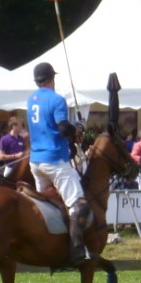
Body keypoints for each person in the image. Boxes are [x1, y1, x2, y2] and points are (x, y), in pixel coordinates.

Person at [26, 63, 89, 264]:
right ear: (51, 79)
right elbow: (62, 128)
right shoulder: (57, 99)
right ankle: (77, 251)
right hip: (54, 160)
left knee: (48, 206)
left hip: (35, 162)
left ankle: (47, 246)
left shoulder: (31, 99)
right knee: (78, 204)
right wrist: (76, 130)